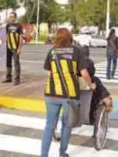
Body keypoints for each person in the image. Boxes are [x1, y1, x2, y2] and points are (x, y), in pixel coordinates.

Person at [41, 28, 95, 157]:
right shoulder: (76, 51)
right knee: (67, 125)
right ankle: (62, 153)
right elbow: (84, 73)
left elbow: (49, 73)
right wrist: (91, 84)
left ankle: (43, 155)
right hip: (69, 95)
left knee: (49, 126)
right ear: (70, 37)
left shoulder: (52, 51)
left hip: (51, 94)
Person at [2, 12, 23, 86]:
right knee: (8, 62)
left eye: (12, 17)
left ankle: (17, 79)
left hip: (15, 47)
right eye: (10, 17)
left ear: (15, 17)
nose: (11, 18)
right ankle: (8, 77)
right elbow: (5, 35)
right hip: (8, 47)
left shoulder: (19, 26)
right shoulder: (8, 25)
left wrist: (19, 48)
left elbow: (21, 37)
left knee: (16, 63)